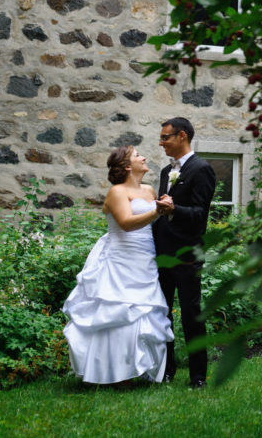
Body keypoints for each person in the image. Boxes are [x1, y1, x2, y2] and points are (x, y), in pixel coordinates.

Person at [62, 146, 174, 385]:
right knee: (117, 312)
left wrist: (166, 209)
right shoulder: (117, 192)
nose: (144, 157)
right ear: (126, 166)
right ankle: (112, 373)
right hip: (121, 260)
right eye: (137, 156)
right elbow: (125, 223)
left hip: (145, 258)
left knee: (143, 312)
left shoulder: (148, 189)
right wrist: (157, 210)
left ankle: (139, 368)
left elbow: (154, 224)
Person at [154, 117, 216, 388]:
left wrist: (174, 209)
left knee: (191, 314)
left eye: (165, 137)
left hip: (187, 252)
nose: (161, 142)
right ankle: (166, 370)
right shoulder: (165, 172)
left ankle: (198, 376)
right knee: (161, 312)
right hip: (162, 251)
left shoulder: (202, 169)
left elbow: (201, 214)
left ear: (182, 136)